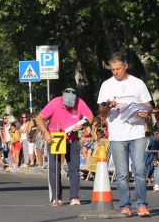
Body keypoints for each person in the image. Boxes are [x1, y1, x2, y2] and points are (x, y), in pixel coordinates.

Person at [98, 52, 152, 217]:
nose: (115, 72)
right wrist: (108, 106)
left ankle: (141, 204)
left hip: (136, 132)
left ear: (126, 66)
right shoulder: (107, 85)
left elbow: (148, 105)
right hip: (117, 135)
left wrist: (146, 113)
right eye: (112, 69)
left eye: (118, 69)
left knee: (140, 170)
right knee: (121, 174)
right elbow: (101, 111)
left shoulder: (138, 83)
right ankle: (125, 206)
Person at [36, 87, 93, 206]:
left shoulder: (80, 102)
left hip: (72, 139)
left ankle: (74, 196)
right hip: (55, 138)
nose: (68, 107)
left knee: (74, 169)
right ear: (63, 98)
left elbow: (90, 117)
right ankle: (56, 197)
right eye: (66, 105)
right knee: (54, 169)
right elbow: (39, 118)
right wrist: (46, 133)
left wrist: (82, 125)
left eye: (71, 105)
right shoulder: (55, 103)